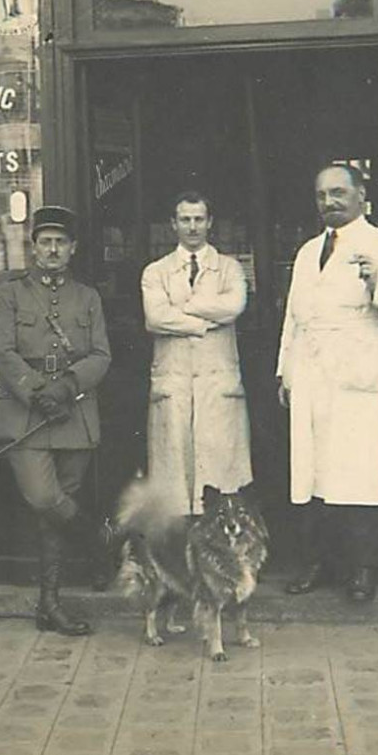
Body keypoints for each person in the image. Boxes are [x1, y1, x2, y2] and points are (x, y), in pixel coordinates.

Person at [276, 164, 378, 602]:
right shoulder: (307, 252)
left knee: (360, 472)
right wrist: (285, 370)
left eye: (339, 193)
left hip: (360, 373)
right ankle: (317, 563)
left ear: (361, 195)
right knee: (312, 472)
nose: (330, 202)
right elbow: (294, 317)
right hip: (312, 371)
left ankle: (363, 569)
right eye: (322, 195)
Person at [0, 205, 112, 636]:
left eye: (61, 241)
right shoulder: (11, 295)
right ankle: (101, 542)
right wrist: (39, 390)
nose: (53, 249)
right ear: (34, 247)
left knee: (55, 511)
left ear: (72, 248)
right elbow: (0, 353)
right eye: (45, 241)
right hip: (26, 415)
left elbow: (101, 355)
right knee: (45, 498)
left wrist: (68, 387)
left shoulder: (88, 297)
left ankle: (50, 604)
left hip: (73, 413)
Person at [141, 190, 252, 516]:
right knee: (174, 479)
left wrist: (182, 308)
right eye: (185, 220)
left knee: (219, 478)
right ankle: (179, 556)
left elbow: (233, 307)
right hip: (173, 384)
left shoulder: (229, 268)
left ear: (210, 223)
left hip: (217, 386)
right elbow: (155, 317)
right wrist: (205, 321)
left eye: (199, 219)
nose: (192, 227)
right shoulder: (155, 271)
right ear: (173, 224)